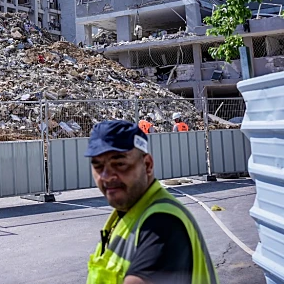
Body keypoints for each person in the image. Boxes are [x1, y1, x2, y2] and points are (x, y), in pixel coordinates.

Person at [85, 120, 217, 284]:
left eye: (119, 164)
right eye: (98, 166)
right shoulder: (125, 213)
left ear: (147, 165)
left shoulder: (163, 224)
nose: (106, 176)